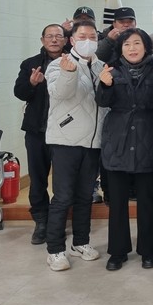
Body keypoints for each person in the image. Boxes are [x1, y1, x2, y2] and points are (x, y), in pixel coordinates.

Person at [95, 28, 153, 271]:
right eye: (127, 44)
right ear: (120, 48)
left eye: (137, 43)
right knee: (117, 201)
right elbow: (102, 102)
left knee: (147, 200)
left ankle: (148, 251)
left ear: (146, 46)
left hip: (147, 137)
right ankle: (117, 251)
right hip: (118, 140)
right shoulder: (111, 70)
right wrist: (105, 85)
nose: (132, 48)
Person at [44, 20, 108, 271]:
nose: (88, 41)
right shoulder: (58, 64)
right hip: (66, 141)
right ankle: (55, 250)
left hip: (93, 142)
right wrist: (69, 73)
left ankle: (81, 242)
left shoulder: (101, 66)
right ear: (71, 40)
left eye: (93, 36)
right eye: (82, 36)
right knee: (62, 197)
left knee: (85, 197)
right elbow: (60, 94)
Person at [13, 23, 66, 245]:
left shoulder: (71, 62)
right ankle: (41, 221)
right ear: (43, 40)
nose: (54, 40)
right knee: (37, 179)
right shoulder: (30, 64)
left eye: (58, 36)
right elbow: (19, 93)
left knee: (63, 181)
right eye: (49, 36)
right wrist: (31, 84)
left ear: (66, 40)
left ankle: (58, 222)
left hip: (64, 132)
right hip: (37, 131)